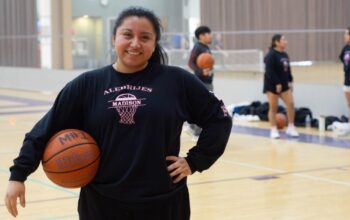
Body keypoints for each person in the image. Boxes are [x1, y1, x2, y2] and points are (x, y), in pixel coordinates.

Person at [4, 7, 232, 220]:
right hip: (102, 204)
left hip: (164, 203)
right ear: (114, 39)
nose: (135, 43)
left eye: (145, 37)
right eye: (127, 35)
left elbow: (219, 119)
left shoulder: (176, 81)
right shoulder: (88, 84)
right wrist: (18, 175)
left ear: (154, 43)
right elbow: (44, 130)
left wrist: (194, 161)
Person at [263, 34, 299, 139]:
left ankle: (291, 127)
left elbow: (288, 70)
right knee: (273, 107)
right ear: (276, 42)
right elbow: (269, 71)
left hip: (284, 85)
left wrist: (290, 81)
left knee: (291, 104)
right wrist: (276, 83)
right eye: (283, 40)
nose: (286, 41)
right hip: (271, 85)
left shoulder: (285, 55)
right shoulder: (271, 55)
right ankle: (273, 129)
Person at [187, 26, 214, 140]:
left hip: (207, 80)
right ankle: (196, 131)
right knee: (202, 106)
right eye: (209, 34)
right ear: (202, 35)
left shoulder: (206, 47)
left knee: (206, 106)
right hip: (201, 81)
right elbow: (190, 63)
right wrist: (201, 71)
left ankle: (194, 127)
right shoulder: (198, 47)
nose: (211, 36)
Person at [339, 27, 350, 131]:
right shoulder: (345, 48)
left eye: (346, 34)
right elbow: (342, 58)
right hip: (347, 80)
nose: (344, 36)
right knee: (349, 104)